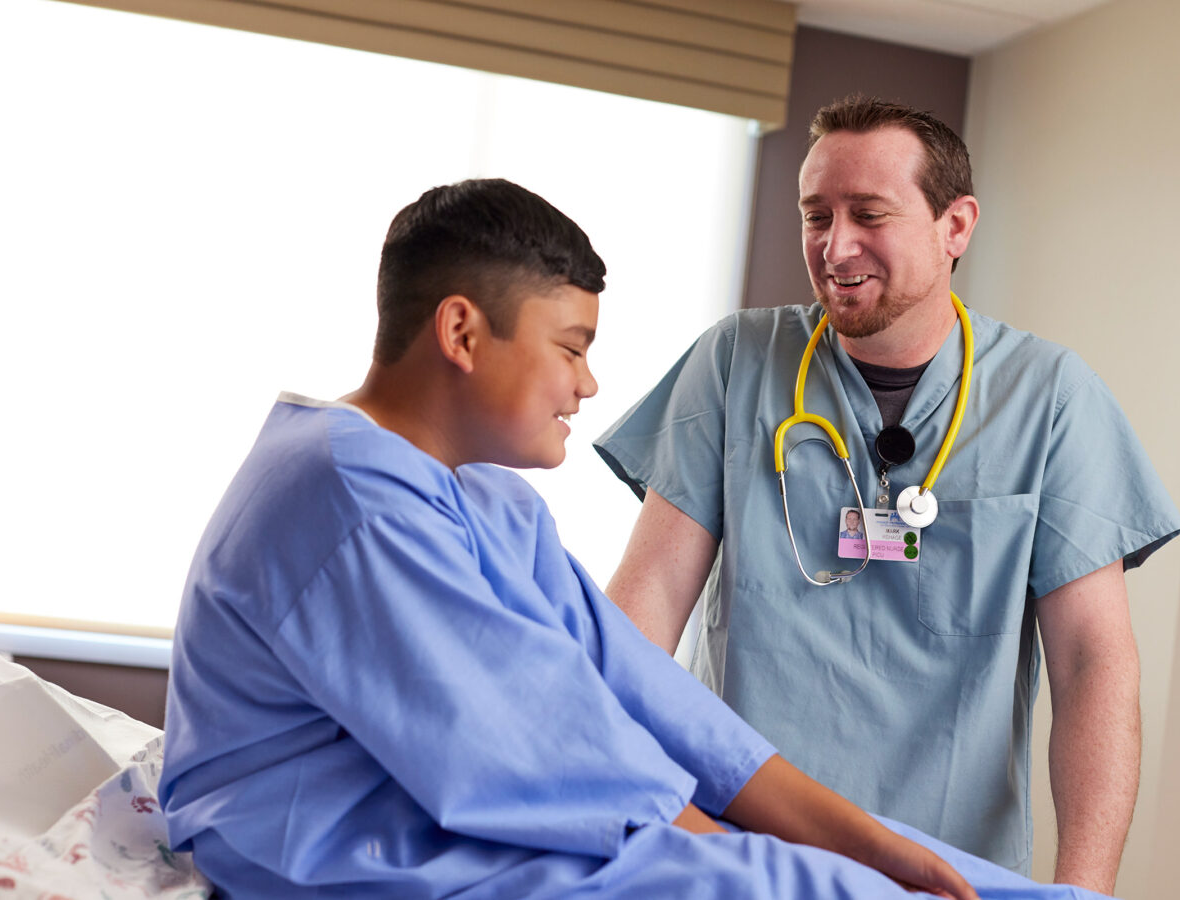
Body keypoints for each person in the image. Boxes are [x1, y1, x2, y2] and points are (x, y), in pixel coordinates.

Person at [159, 178, 1109, 899]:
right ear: (461, 330)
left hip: (475, 804)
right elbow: (523, 754)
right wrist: (759, 852)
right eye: (570, 347)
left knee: (951, 875)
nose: (589, 385)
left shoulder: (487, 502)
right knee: (792, 886)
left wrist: (865, 839)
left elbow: (639, 689)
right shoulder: (346, 492)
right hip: (348, 836)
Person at [594, 96, 1180, 894]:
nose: (835, 247)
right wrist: (604, 803)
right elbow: (648, 603)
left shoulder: (1050, 399)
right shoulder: (737, 362)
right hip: (738, 851)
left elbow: (1093, 666)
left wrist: (1083, 891)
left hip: (950, 869)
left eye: (868, 213)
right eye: (816, 215)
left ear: (956, 226)